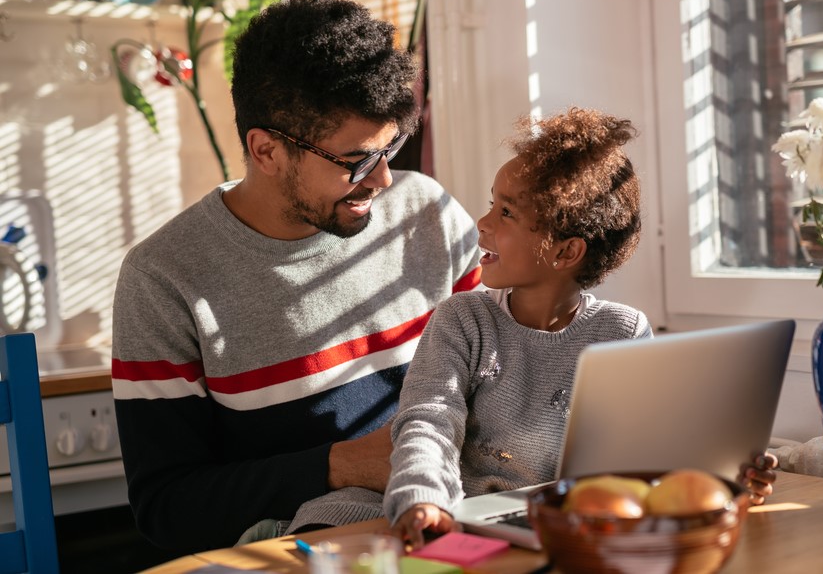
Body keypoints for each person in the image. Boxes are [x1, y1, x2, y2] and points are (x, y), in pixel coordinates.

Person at [284, 108, 776, 546]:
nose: (482, 222)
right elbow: (428, 422)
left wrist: (727, 477)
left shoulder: (622, 333)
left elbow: (651, 451)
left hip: (549, 527)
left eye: (507, 212)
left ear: (566, 252)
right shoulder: (464, 318)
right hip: (447, 516)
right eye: (491, 203)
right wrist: (421, 498)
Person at [110, 0, 482, 554]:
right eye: (357, 160)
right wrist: (341, 465)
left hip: (463, 527)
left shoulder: (428, 215)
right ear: (266, 151)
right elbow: (168, 510)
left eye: (392, 148)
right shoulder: (164, 279)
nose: (383, 182)